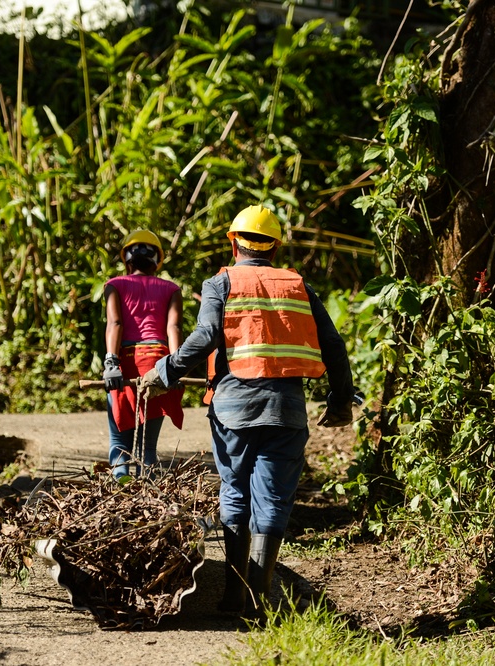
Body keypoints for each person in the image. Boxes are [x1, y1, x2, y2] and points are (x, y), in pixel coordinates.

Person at [139, 205, 355, 617]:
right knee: (272, 500)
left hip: (233, 411)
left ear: (233, 241)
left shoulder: (221, 282)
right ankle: (259, 604)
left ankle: (233, 599)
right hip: (285, 412)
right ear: (274, 246)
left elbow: (205, 336)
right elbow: (334, 344)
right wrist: (341, 400)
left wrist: (165, 371)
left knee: (235, 493)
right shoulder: (298, 286)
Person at [102, 229, 184, 480]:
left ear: (127, 259)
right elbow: (173, 328)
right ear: (156, 260)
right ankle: (148, 493)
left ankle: (121, 487)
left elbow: (115, 324)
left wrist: (111, 361)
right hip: (158, 363)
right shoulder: (171, 288)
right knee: (147, 447)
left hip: (125, 362)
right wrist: (175, 366)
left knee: (119, 440)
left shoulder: (114, 285)